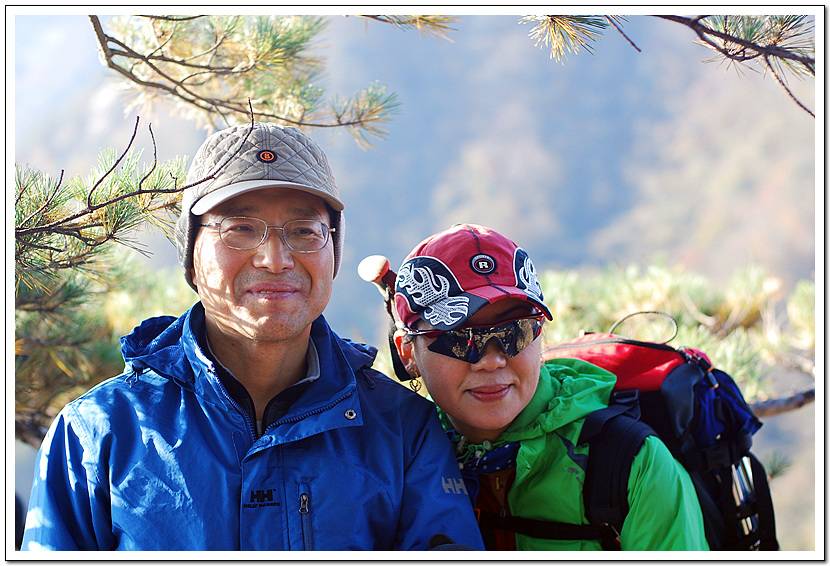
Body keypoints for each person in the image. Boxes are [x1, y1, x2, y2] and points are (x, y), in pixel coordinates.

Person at [20, 123, 484, 552]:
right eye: (241, 229)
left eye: (304, 230)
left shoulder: (401, 432)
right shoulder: (97, 433)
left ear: (333, 252)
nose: (275, 258)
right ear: (192, 252)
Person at [390, 223, 709, 551]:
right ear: (407, 353)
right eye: (461, 338)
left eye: (518, 332)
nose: (492, 360)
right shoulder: (396, 462)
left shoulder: (631, 463)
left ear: (541, 334)